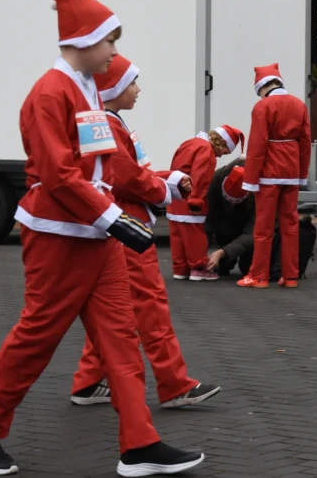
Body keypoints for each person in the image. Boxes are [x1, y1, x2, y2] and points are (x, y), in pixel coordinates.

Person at [0, 0, 204, 477]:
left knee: (120, 338)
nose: (114, 54)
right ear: (85, 40)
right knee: (38, 336)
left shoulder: (84, 90)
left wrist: (131, 204)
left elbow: (103, 166)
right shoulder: (50, 92)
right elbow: (58, 173)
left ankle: (140, 445)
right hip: (59, 235)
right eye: (110, 42)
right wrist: (114, 217)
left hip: (92, 234)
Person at [70, 55, 220, 411]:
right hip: (129, 228)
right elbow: (126, 177)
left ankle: (89, 381)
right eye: (132, 82)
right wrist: (165, 186)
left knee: (114, 309)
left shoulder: (101, 121)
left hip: (115, 225)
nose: (138, 89)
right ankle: (173, 385)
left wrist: (165, 180)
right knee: (150, 305)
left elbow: (123, 173)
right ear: (114, 88)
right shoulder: (109, 124)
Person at [238, 63, 311, 290]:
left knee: (264, 226)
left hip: (269, 173)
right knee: (290, 224)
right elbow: (305, 142)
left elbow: (257, 145)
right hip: (291, 171)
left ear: (262, 87)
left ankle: (259, 276)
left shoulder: (262, 107)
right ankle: (290, 276)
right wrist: (302, 174)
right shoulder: (299, 105)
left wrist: (250, 179)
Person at [167, 124, 243, 281]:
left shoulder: (189, 143)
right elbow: (200, 178)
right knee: (195, 236)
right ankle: (199, 268)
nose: (221, 156)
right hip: (190, 200)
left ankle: (180, 268)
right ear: (222, 142)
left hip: (175, 199)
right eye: (224, 151)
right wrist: (196, 200)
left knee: (178, 236)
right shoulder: (206, 151)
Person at [205, 161, 255, 275]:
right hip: (226, 225)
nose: (231, 205)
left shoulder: (258, 190)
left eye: (235, 202)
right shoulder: (215, 181)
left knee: (247, 268)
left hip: (249, 226)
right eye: (229, 201)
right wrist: (200, 254)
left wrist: (221, 253)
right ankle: (226, 257)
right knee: (221, 266)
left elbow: (252, 232)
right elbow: (208, 220)